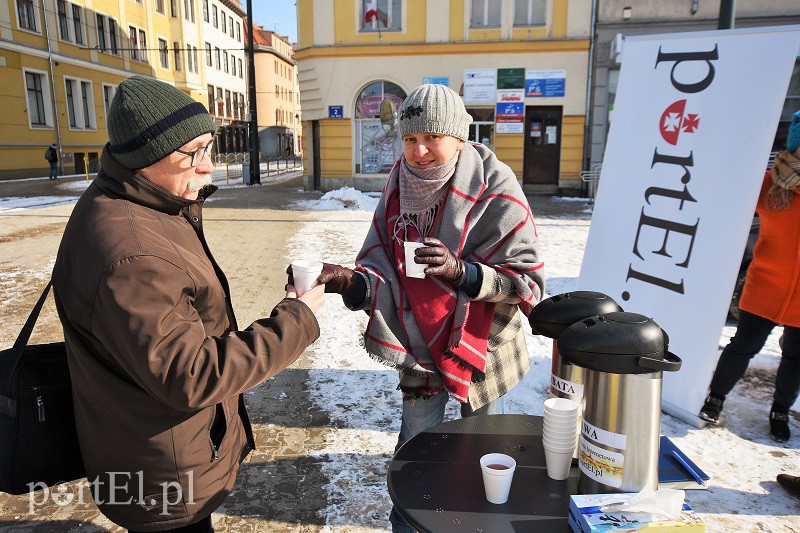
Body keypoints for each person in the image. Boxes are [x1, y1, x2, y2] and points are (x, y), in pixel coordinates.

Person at [52, 76, 325, 533]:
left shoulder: (138, 203)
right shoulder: (134, 254)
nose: (208, 167)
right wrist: (297, 319)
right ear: (145, 157)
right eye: (194, 153)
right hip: (162, 470)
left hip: (153, 445)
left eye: (209, 148)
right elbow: (191, 375)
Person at [306, 84, 544, 532]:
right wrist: (352, 283)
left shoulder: (497, 185)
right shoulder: (397, 184)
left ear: (459, 137)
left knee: (487, 453)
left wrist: (463, 274)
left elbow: (526, 279)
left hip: (485, 346)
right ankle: (411, 525)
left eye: (431, 137)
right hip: (418, 341)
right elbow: (381, 265)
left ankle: (482, 525)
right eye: (410, 139)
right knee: (415, 450)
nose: (419, 151)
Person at [700, 110, 800, 443]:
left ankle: (780, 410)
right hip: (766, 285)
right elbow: (730, 210)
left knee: (796, 356)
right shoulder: (770, 184)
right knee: (743, 346)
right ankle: (715, 397)